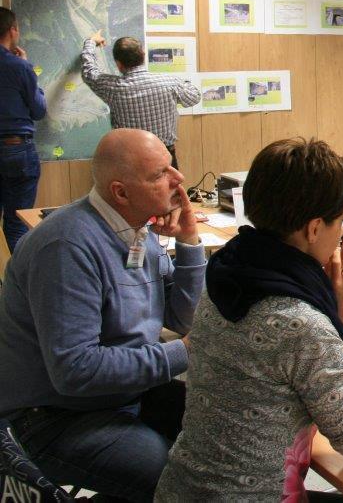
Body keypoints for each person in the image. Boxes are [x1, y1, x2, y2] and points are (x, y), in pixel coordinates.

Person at [155, 138, 343, 501]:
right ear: (314, 228)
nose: (342, 235)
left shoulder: (225, 275)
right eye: (341, 222)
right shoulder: (302, 324)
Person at [0, 128, 206, 501]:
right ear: (121, 193)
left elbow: (184, 319)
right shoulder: (66, 247)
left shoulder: (136, 229)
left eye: (171, 166)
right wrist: (185, 351)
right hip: (54, 417)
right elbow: (76, 370)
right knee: (186, 485)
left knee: (229, 437)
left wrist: (189, 243)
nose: (178, 179)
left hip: (122, 395)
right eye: (160, 174)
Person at [81, 30, 201, 169]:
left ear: (118, 64)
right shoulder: (169, 83)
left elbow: (89, 72)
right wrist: (180, 83)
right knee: (169, 184)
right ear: (143, 55)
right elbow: (195, 97)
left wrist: (91, 42)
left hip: (131, 161)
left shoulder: (113, 88)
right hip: (165, 157)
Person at [0, 6, 47, 252]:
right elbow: (38, 110)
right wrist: (27, 69)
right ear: (12, 30)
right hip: (15, 148)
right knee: (16, 222)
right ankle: (21, 275)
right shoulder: (19, 67)